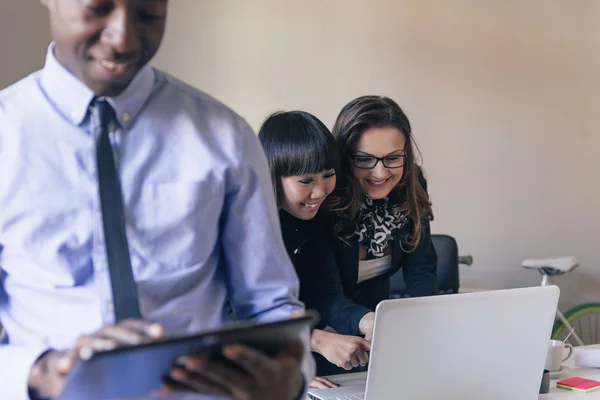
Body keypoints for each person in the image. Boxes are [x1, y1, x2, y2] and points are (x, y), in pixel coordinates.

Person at [0, 1, 313, 399]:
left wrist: (292, 379)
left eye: (148, 13)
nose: (124, 38)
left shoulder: (225, 138)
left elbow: (271, 306)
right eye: (98, 8)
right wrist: (37, 372)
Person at [258, 111, 376, 383]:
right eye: (306, 181)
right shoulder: (247, 230)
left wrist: (367, 320)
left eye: (328, 175)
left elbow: (326, 292)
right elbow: (239, 314)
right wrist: (315, 340)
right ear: (272, 176)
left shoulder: (315, 219)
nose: (321, 191)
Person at [328, 95, 438, 311]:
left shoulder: (411, 183)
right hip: (321, 328)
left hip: (376, 320)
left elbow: (421, 269)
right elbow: (322, 289)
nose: (380, 173)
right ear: (343, 156)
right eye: (364, 159)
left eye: (393, 158)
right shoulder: (325, 194)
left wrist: (431, 318)